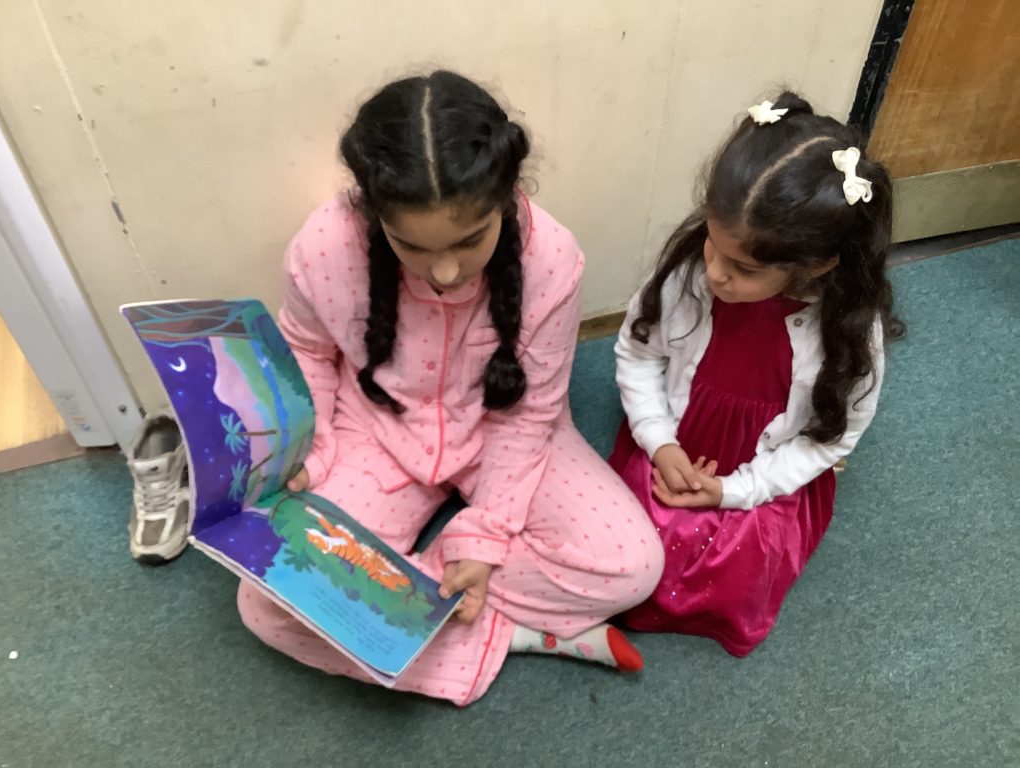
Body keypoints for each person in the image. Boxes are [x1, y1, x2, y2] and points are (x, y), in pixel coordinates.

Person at [236, 71, 664, 704]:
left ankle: (400, 607)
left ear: (506, 198)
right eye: (410, 245)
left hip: (503, 432)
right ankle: (517, 635)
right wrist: (310, 447)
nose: (443, 270)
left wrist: (482, 540)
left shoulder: (551, 257)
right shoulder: (326, 246)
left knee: (632, 564)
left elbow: (530, 415)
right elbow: (307, 350)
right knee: (265, 601)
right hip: (376, 430)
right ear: (372, 210)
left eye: (470, 241)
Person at [610, 92, 903, 656]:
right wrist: (659, 441)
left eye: (743, 268)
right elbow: (639, 355)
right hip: (674, 436)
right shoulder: (688, 274)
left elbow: (829, 440)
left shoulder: (848, 333)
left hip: (765, 469)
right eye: (711, 245)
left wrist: (734, 491)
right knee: (622, 544)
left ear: (818, 264)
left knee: (730, 568)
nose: (715, 274)